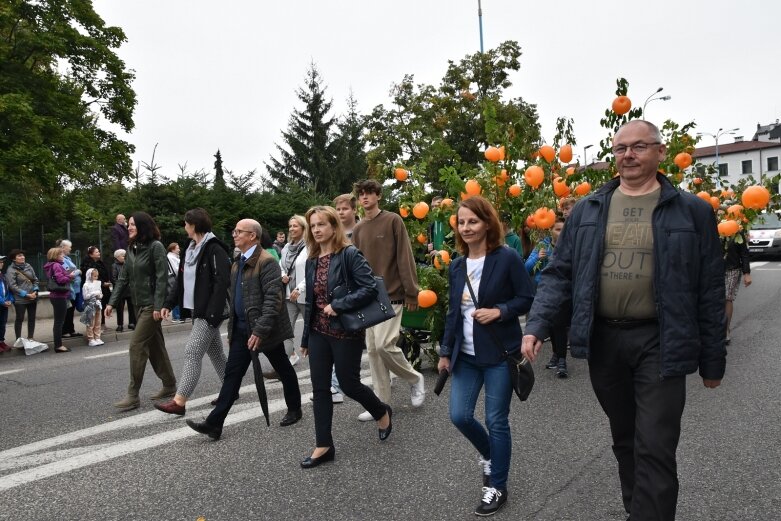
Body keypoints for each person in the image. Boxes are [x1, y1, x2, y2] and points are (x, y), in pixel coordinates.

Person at [521, 120, 726, 521]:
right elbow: (559, 273)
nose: (628, 155)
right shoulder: (587, 210)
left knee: (656, 445)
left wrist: (713, 362)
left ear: (660, 152)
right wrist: (537, 325)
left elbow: (710, 289)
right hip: (605, 343)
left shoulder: (693, 211)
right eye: (620, 149)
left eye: (639, 147)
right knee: (626, 440)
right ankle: (639, 510)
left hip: (661, 340)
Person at [437, 196, 534, 516]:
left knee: (496, 420)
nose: (466, 228)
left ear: (487, 223)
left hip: (499, 354)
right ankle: (493, 456)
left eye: (472, 221)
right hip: (466, 357)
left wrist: (499, 311)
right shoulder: (456, 265)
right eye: (461, 222)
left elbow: (527, 297)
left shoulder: (505, 258)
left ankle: (497, 485)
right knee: (460, 416)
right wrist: (446, 351)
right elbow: (453, 312)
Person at [186, 219, 302, 440]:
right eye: (235, 231)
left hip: (264, 330)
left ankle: (295, 408)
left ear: (253, 236)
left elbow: (273, 300)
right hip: (241, 329)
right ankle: (214, 423)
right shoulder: (237, 262)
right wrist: (231, 331)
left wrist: (259, 330)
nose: (234, 235)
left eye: (239, 232)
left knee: (283, 367)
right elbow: (235, 299)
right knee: (233, 375)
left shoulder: (267, 262)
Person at [298, 206, 392, 468]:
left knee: (349, 384)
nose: (316, 230)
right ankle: (324, 445)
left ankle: (381, 410)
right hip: (318, 331)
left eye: (321, 225)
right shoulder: (312, 259)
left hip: (344, 330)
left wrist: (339, 305)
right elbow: (311, 303)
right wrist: (305, 339)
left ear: (333, 227)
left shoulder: (349, 254)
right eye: (312, 225)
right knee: (320, 389)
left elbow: (370, 288)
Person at [351, 179, 425, 420]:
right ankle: (380, 405)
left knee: (384, 345)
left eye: (369, 193)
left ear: (378, 196)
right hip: (368, 296)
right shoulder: (359, 228)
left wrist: (411, 291)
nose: (364, 197)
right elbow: (356, 265)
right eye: (361, 194)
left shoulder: (393, 220)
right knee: (372, 350)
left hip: (392, 293)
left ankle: (415, 378)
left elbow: (405, 256)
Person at [156, 208, 231, 416]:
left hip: (208, 312)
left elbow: (222, 282)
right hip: (197, 310)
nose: (184, 227)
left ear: (194, 225)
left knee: (192, 352)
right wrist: (169, 304)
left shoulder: (215, 248)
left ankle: (179, 401)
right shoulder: (190, 250)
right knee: (216, 353)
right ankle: (230, 390)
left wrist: (212, 313)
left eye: (186, 223)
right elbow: (181, 282)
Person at [105, 212, 178, 411]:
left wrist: (158, 306)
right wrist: (112, 302)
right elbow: (123, 278)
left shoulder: (155, 247)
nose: (129, 227)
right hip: (137, 305)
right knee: (155, 346)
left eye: (132, 224)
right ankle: (170, 384)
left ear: (143, 226)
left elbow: (162, 278)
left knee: (136, 345)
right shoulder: (131, 248)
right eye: (128, 224)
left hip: (150, 306)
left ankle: (133, 395)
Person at [279, 214, 308, 367]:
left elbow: (313, 271)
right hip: (289, 296)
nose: (291, 229)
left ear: (303, 228)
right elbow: (281, 265)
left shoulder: (310, 246)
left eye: (295, 226)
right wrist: (283, 274)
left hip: (304, 296)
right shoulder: (285, 248)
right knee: (286, 330)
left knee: (313, 330)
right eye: (290, 226)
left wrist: (300, 288)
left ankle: (323, 362)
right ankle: (286, 362)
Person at [43, 247, 74, 353]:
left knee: (58, 321)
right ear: (55, 256)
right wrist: (70, 276)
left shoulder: (51, 265)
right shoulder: (56, 265)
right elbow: (60, 279)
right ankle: (58, 345)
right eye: (61, 254)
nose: (63, 256)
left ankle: (58, 344)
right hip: (59, 296)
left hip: (55, 295)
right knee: (59, 322)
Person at [723, 231, 751, 344]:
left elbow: (744, 253)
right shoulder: (710, 224)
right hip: (713, 269)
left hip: (732, 269)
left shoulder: (736, 229)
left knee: (727, 297)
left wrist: (747, 273)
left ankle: (726, 330)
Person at [5, 249, 38, 343]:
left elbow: (35, 279)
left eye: (23, 255)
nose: (22, 257)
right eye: (19, 256)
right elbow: (12, 286)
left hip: (33, 296)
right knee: (20, 318)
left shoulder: (28, 266)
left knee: (32, 318)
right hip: (20, 299)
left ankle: (31, 337)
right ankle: (18, 340)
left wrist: (35, 291)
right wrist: (26, 294)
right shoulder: (11, 270)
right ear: (13, 259)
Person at [81, 246, 112, 329]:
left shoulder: (99, 262)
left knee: (102, 306)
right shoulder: (88, 264)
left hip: (102, 287)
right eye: (97, 252)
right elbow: (92, 277)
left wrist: (107, 280)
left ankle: (101, 324)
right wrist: (102, 283)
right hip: (93, 289)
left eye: (99, 251)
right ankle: (92, 328)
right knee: (94, 308)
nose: (99, 253)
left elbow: (103, 273)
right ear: (91, 254)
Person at [58, 240, 83, 339]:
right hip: (69, 289)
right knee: (67, 311)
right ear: (63, 247)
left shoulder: (67, 258)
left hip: (74, 288)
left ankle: (71, 330)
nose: (70, 249)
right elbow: (69, 273)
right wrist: (78, 271)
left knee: (71, 311)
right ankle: (65, 331)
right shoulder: (62, 259)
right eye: (69, 247)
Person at [111, 249, 136, 332]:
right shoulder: (114, 266)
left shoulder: (128, 264)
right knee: (120, 309)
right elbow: (114, 278)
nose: (125, 257)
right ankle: (120, 324)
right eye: (123, 256)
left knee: (131, 307)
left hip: (130, 290)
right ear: (117, 257)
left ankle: (132, 323)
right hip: (121, 291)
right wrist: (121, 285)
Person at [80, 268, 104, 346]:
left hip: (97, 304)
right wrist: (94, 293)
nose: (96, 278)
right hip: (90, 305)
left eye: (97, 276)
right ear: (89, 276)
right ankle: (91, 339)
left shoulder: (97, 284)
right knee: (90, 322)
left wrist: (100, 295)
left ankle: (97, 337)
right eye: (94, 276)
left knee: (98, 322)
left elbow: (100, 294)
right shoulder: (86, 285)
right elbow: (85, 296)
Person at [166, 243, 183, 323]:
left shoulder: (173, 257)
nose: (179, 250)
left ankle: (178, 315)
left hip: (175, 278)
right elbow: (176, 269)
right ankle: (176, 316)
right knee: (176, 295)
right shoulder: (171, 257)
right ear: (172, 249)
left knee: (178, 295)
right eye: (177, 248)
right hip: (174, 278)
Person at [0, 255, 12, 353]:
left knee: (2, 324)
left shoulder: (3, 275)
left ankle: (1, 341)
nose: (1, 263)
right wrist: (2, 301)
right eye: (0, 262)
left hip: (4, 305)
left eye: (2, 262)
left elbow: (8, 290)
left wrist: (10, 300)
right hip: (1, 303)